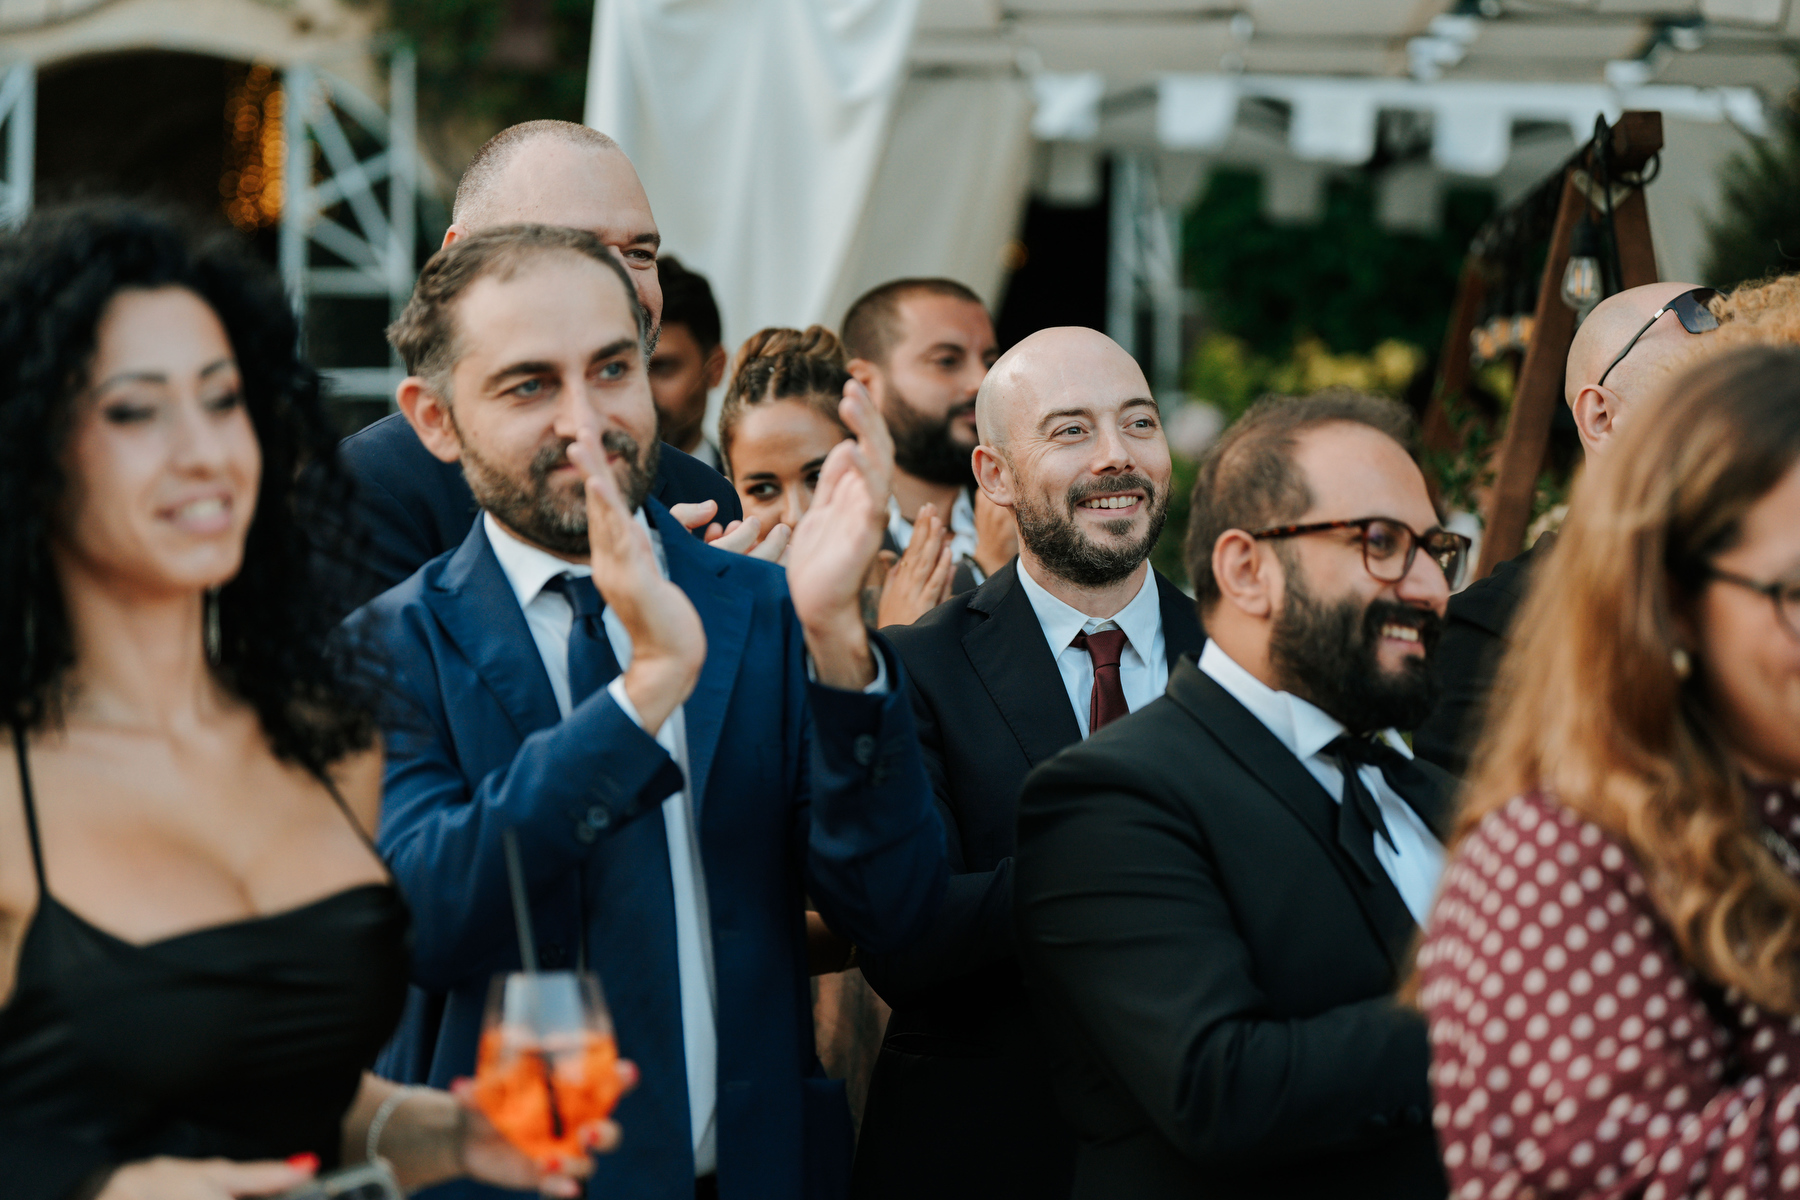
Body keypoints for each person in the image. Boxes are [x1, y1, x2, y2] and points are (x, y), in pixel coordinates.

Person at [0, 205, 618, 1200]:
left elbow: (287, 1097)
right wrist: (108, 1188)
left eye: (224, 400)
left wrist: (453, 1131)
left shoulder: (325, 738)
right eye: (135, 411)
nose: (204, 452)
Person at [357, 224, 949, 1200]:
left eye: (612, 369)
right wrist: (641, 700)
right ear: (436, 419)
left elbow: (896, 910)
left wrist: (842, 646)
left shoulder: (763, 608)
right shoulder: (388, 647)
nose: (586, 420)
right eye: (529, 385)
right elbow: (425, 922)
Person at [1014, 389, 1470, 1199]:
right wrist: (1507, 1004)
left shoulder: (1440, 795)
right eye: (1382, 542)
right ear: (1247, 569)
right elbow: (1221, 1090)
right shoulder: (1111, 797)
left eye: (1437, 550)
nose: (1432, 586)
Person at [1417, 344, 1800, 1197]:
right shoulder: (1552, 859)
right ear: (1676, 605)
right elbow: (1607, 1172)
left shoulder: (1773, 799)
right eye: (1794, 593)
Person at [851, 327, 1205, 1200]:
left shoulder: (1247, 657)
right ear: (995, 475)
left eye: (1139, 423)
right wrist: (1119, 865)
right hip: (988, 1159)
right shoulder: (916, 668)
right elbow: (904, 935)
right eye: (1071, 430)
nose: (1117, 455)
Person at [330, 120, 742, 619]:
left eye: (639, 254)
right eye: (577, 249)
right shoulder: (359, 494)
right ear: (458, 259)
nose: (620, 286)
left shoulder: (707, 497)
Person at [1415, 280, 1717, 776]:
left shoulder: (1765, 599)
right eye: (1708, 398)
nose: (1750, 426)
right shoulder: (1493, 632)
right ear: (1600, 418)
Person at [719, 325, 958, 628]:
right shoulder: (717, 622)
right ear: (730, 493)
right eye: (764, 489)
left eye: (819, 477)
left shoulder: (933, 598)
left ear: (870, 467)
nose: (795, 515)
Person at [842, 278, 1016, 594]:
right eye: (947, 361)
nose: (982, 381)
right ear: (866, 385)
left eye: (990, 362)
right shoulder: (828, 528)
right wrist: (985, 568)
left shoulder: (1026, 512)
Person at [650, 256, 728, 470]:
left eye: (662, 368)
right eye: (617, 369)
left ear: (715, 369)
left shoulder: (748, 485)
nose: (640, 391)